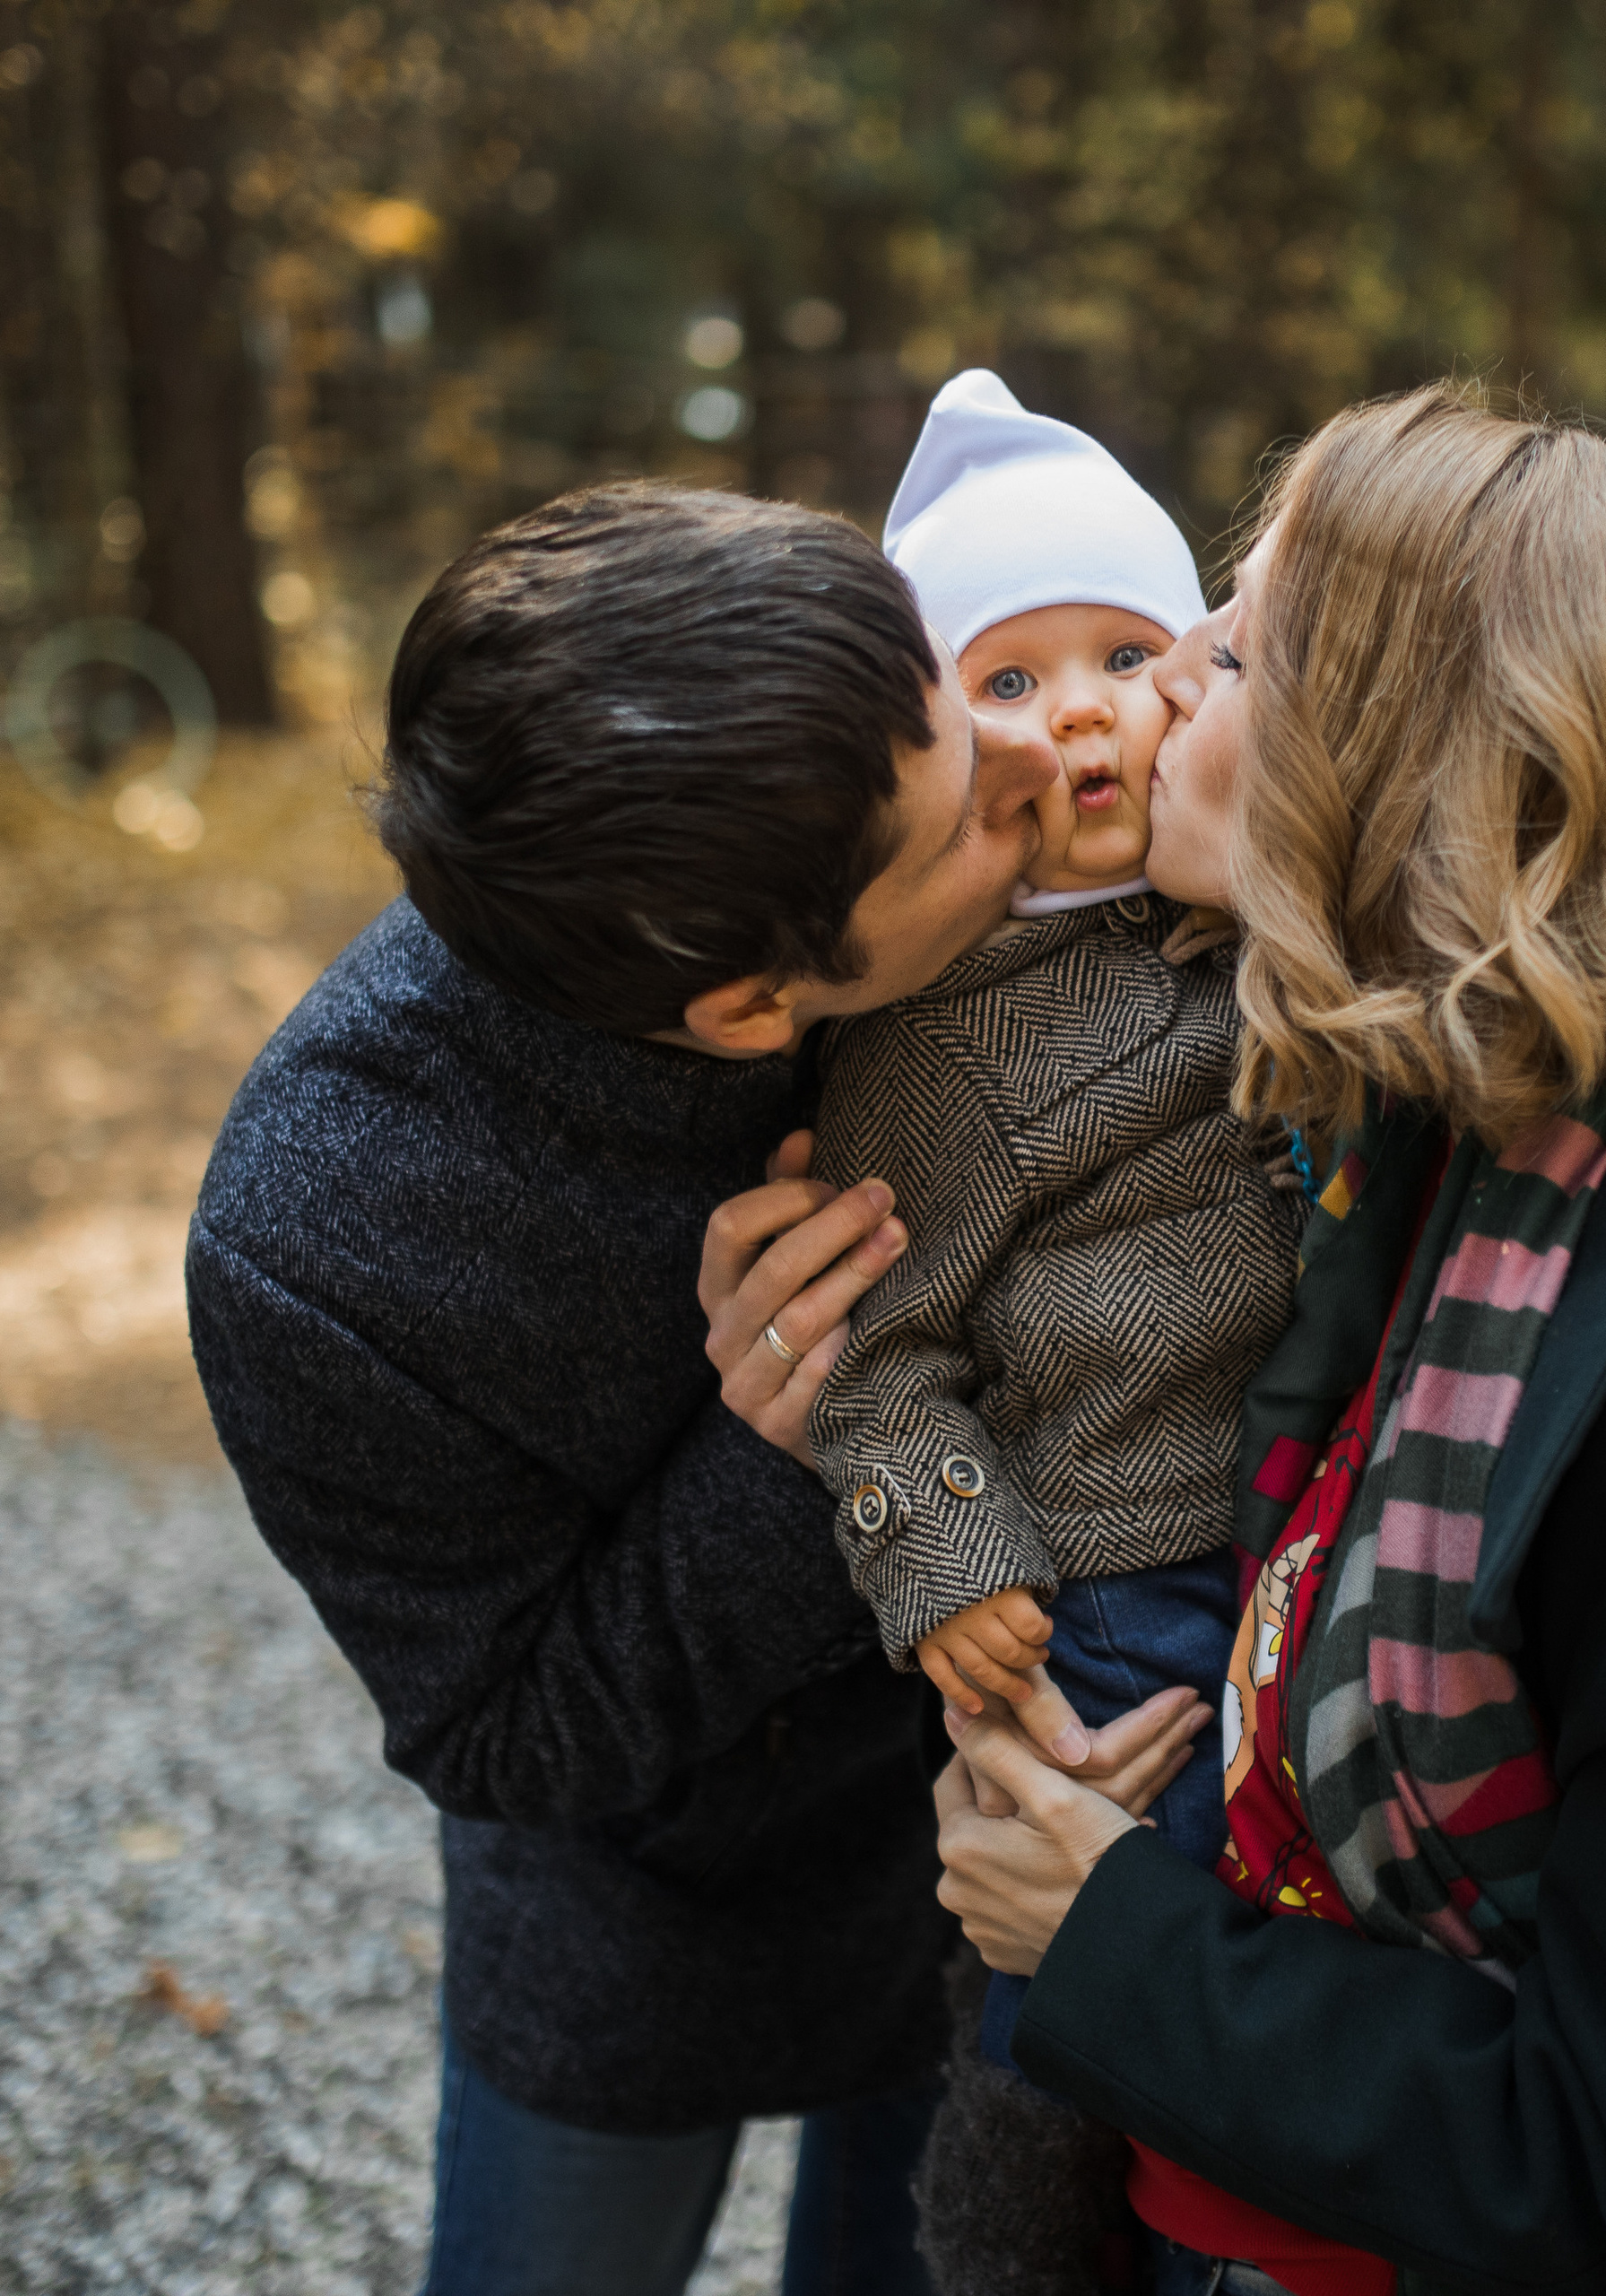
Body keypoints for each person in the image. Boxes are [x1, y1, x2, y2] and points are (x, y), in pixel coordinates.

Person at [924, 387, 1606, 2296]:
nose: (1161, 676)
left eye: (1236, 644)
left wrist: (1109, 1941)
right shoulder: (1467, 1123)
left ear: (1404, 757)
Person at [187, 483, 1205, 2296]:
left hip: (971, 1847)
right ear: (752, 1006)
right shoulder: (320, 1231)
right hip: (633, 1918)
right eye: (955, 791)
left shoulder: (950, 888)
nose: (1017, 741)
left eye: (945, 671)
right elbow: (493, 1732)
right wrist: (780, 1464)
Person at [800, 371, 1305, 2292]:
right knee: (1075, 1969)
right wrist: (943, 1551)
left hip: (1289, 1540)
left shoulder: (1250, 919)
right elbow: (879, 1346)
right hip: (1112, 1576)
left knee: (1251, 1959)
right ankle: (1014, 2245)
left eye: (1120, 651)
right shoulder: (947, 1037)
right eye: (1006, 683)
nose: (1078, 708)